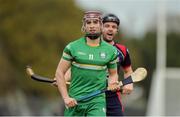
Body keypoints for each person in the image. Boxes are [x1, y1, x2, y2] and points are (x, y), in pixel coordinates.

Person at [55, 11, 119, 116]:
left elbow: (113, 74)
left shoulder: (111, 51)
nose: (92, 26)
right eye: (88, 23)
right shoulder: (72, 47)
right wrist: (66, 98)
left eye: (95, 22)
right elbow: (59, 72)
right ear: (84, 26)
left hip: (97, 101)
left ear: (101, 25)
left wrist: (112, 83)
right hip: (74, 101)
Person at [102, 13, 134, 116]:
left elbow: (128, 71)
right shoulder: (92, 47)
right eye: (107, 26)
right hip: (92, 94)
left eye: (114, 27)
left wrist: (129, 83)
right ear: (101, 28)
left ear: (117, 30)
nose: (110, 29)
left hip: (112, 96)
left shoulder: (122, 50)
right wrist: (62, 78)